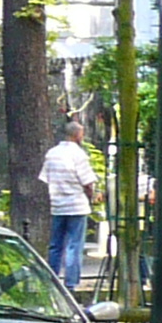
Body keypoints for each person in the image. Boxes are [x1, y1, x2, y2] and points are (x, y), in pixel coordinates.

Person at [40, 119, 98, 287]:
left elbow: (45, 178)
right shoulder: (78, 155)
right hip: (77, 206)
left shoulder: (51, 153)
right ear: (78, 134)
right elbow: (87, 182)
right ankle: (71, 284)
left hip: (58, 205)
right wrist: (90, 196)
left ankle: (52, 281)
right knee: (74, 246)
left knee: (55, 245)